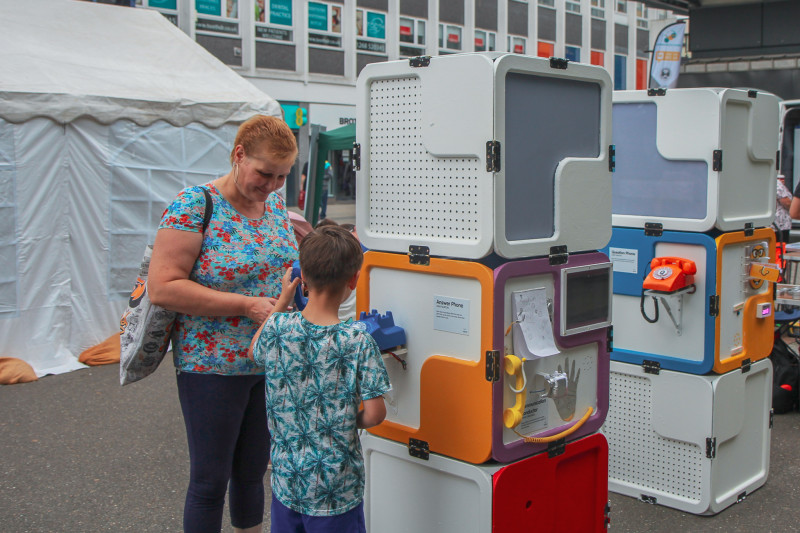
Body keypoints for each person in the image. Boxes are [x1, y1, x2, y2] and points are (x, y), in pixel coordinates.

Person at [148, 115, 299, 533]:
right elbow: (163, 287)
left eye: (282, 177)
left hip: (268, 363)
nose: (271, 186)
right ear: (238, 155)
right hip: (211, 367)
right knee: (209, 481)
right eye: (264, 173)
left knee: (252, 474)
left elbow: (283, 273)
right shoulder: (195, 204)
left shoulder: (272, 207)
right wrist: (246, 305)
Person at [249, 225, 391, 533]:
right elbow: (375, 414)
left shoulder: (278, 328)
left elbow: (254, 351)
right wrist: (340, 418)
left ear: (302, 279)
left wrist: (283, 301)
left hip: (287, 484)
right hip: (336, 489)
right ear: (353, 280)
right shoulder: (357, 341)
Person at [775, 174, 792, 244]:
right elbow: (787, 203)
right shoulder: (777, 184)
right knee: (781, 248)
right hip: (780, 225)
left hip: (771, 225)